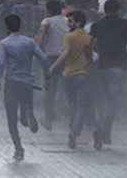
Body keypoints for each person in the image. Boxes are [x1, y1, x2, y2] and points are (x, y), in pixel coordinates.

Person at [88, 0, 127, 150]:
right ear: (118, 10)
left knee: (103, 100)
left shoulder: (98, 25)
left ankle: (105, 132)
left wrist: (90, 58)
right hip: (119, 67)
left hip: (102, 67)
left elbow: (87, 43)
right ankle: (101, 129)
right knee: (112, 101)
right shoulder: (125, 24)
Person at [0, 14, 52, 161]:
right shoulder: (30, 42)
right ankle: (27, 113)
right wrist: (47, 76)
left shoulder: (4, 43)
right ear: (20, 26)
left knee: (11, 118)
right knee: (26, 106)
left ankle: (19, 149)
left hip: (11, 82)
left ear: (6, 27)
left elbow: (1, 63)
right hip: (27, 82)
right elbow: (43, 58)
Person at [48, 10, 93, 149]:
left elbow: (65, 54)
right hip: (85, 75)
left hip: (69, 74)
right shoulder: (89, 37)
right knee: (81, 105)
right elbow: (97, 53)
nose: (68, 24)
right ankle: (75, 130)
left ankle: (73, 125)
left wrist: (52, 67)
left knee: (72, 104)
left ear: (77, 23)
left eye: (70, 21)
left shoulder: (69, 36)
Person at [35, 0, 69, 130]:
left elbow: (41, 35)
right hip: (67, 56)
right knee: (67, 86)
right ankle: (64, 112)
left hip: (52, 58)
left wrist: (36, 46)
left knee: (50, 88)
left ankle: (48, 118)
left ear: (48, 11)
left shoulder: (47, 21)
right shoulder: (67, 20)